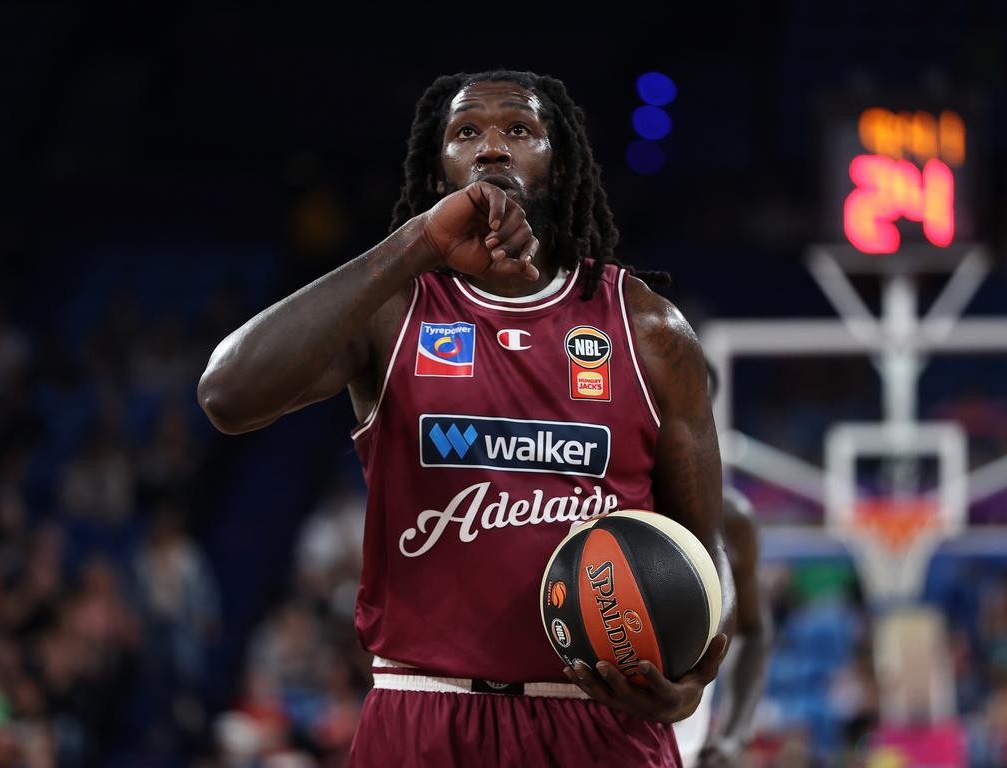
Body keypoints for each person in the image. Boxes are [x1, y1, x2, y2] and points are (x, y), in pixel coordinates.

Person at [198, 69, 734, 768]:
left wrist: (693, 671)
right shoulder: (393, 311)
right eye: (465, 133)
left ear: (560, 160)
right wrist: (415, 243)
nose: (490, 148)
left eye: (518, 129)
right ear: (439, 165)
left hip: (598, 721)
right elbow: (226, 395)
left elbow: (702, 548)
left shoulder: (648, 328)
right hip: (423, 712)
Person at [673, 486, 773, 767]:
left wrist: (733, 735)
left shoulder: (730, 517)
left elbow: (754, 629)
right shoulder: (604, 507)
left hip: (684, 750)